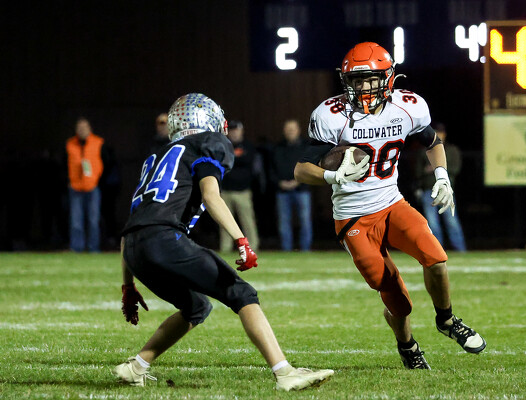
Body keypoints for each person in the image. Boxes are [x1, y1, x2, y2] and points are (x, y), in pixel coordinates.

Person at [113, 93, 333, 391]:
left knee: (196, 307)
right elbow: (211, 196)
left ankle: (137, 367)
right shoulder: (207, 143)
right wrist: (241, 239)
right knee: (242, 293)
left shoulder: (156, 156)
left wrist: (127, 285)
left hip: (134, 247)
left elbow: (132, 225)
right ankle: (285, 373)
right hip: (164, 238)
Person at [294, 42, 486, 369]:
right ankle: (407, 345)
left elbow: (432, 142)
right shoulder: (331, 115)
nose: (363, 87)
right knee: (395, 296)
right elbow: (301, 170)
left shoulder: (407, 106)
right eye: (356, 80)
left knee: (436, 259)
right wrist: (332, 176)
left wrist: (442, 177)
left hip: (391, 203)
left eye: (370, 79)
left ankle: (446, 319)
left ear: (388, 77)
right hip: (353, 216)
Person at [415, 122, 467, 251]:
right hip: (429, 190)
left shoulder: (451, 150)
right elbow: (417, 171)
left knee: (451, 221)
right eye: (436, 132)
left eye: (440, 132)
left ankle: (460, 249)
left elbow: (456, 168)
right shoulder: (424, 150)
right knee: (432, 223)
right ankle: (437, 250)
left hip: (445, 190)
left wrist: (437, 168)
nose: (439, 135)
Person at [219, 120, 261, 252]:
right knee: (224, 221)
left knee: (247, 221)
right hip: (225, 190)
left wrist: (232, 160)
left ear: (241, 131)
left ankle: (252, 246)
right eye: (231, 130)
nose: (234, 133)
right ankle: (225, 248)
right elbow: (220, 162)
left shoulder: (248, 146)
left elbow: (247, 161)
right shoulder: (222, 145)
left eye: (236, 130)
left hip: (243, 190)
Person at [271, 119, 313, 251]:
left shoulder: (306, 147)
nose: (290, 131)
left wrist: (298, 181)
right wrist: (279, 182)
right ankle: (286, 249)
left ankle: (305, 249)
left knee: (305, 220)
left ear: (298, 130)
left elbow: (311, 167)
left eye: (293, 129)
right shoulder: (278, 148)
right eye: (288, 129)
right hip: (282, 190)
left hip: (302, 189)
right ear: (284, 131)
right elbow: (271, 169)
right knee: (284, 221)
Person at [65, 117, 105, 252]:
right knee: (76, 221)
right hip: (75, 188)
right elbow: (63, 164)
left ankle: (94, 248)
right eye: (79, 128)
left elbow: (106, 163)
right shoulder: (70, 144)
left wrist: (98, 181)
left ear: (90, 129)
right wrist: (68, 182)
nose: (82, 130)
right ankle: (77, 248)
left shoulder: (98, 142)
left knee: (93, 220)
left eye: (84, 127)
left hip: (92, 187)